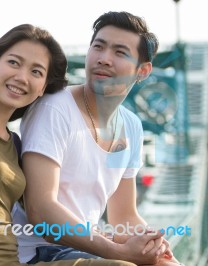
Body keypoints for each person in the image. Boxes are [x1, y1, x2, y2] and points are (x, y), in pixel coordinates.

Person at [0, 24, 136, 266]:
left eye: (36, 72)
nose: (22, 77)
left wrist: (108, 239)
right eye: (13, 63)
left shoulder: (13, 142)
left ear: (43, 87)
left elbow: (46, 213)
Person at [12, 12, 182, 266]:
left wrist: (152, 242)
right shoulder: (55, 109)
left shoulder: (130, 127)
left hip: (88, 246)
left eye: (120, 52)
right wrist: (117, 251)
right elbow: (41, 211)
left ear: (143, 71)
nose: (104, 59)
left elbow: (124, 215)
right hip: (40, 250)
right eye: (98, 47)